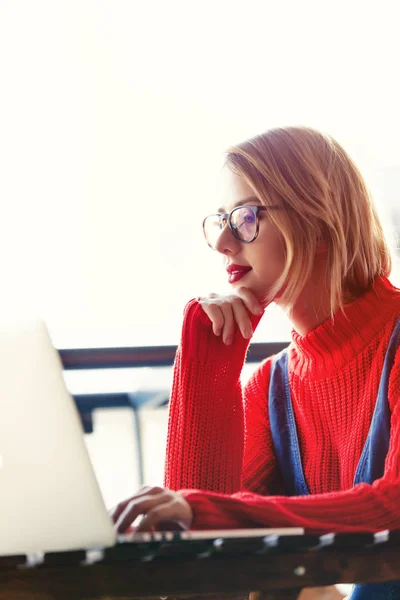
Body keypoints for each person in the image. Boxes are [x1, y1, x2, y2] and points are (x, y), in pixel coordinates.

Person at [111, 126, 400, 598]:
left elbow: (395, 509)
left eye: (246, 217)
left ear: (319, 221)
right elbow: (195, 557)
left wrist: (205, 512)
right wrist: (208, 361)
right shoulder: (274, 385)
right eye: (220, 220)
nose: (224, 242)